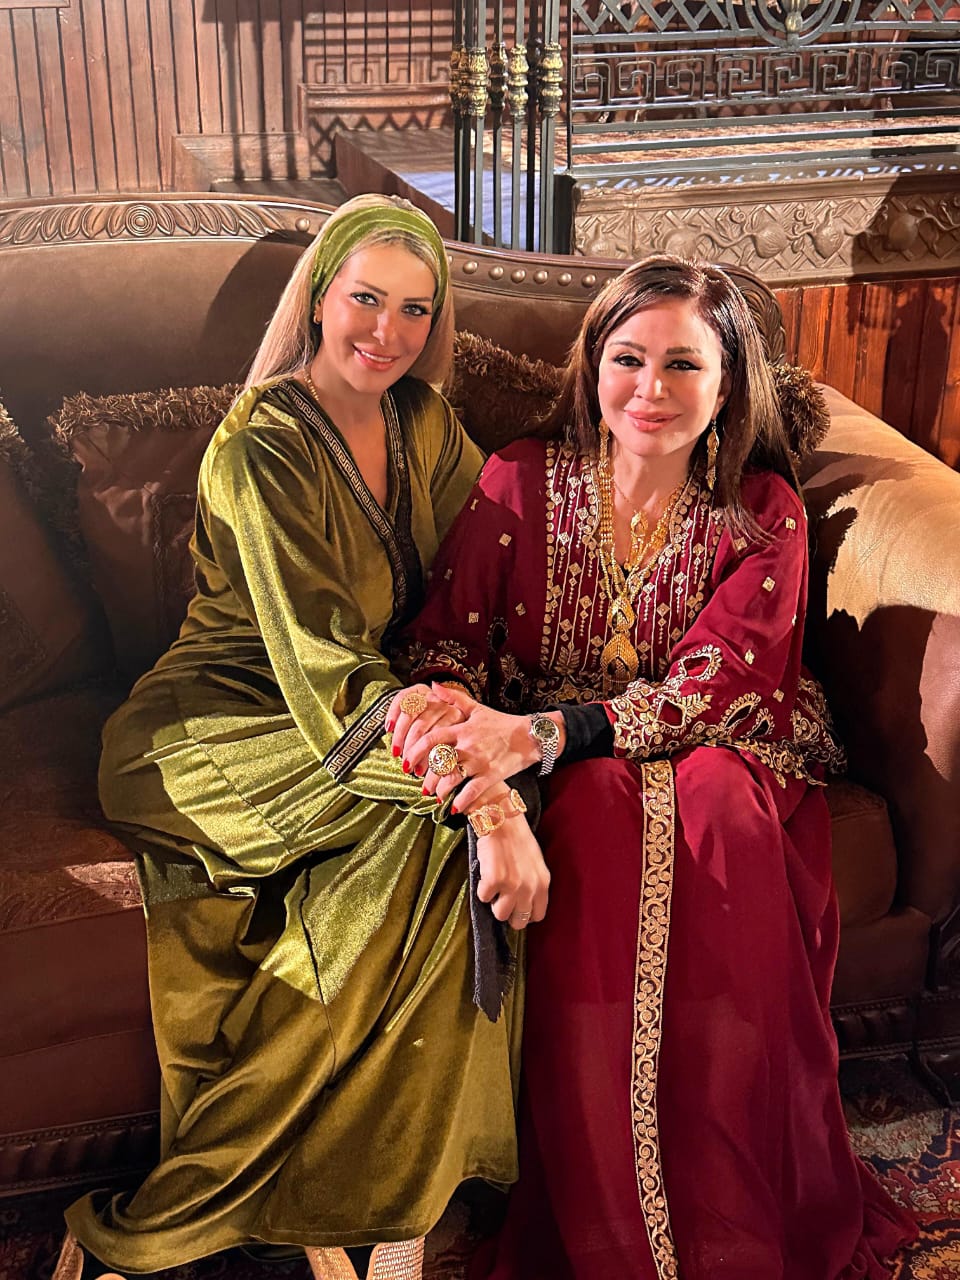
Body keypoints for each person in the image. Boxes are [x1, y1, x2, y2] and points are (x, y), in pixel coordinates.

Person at [390, 255, 918, 1278]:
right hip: (571, 762)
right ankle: (616, 1235)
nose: (651, 388)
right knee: (592, 809)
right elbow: (440, 648)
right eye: (628, 359)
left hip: (730, 748)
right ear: (592, 367)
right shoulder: (518, 481)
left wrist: (540, 735)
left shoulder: (764, 509)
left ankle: (732, 1224)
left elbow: (717, 691)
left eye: (684, 364)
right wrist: (477, 752)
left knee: (718, 807)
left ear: (728, 386)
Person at [53, 194, 549, 1280]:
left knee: (436, 840)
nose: (388, 331)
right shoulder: (260, 444)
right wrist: (485, 792)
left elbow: (500, 543)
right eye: (366, 298)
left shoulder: (424, 423)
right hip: (209, 734)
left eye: (415, 309)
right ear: (320, 297)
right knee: (449, 822)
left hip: (351, 710)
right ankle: (238, 1188)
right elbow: (325, 659)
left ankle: (389, 1187)